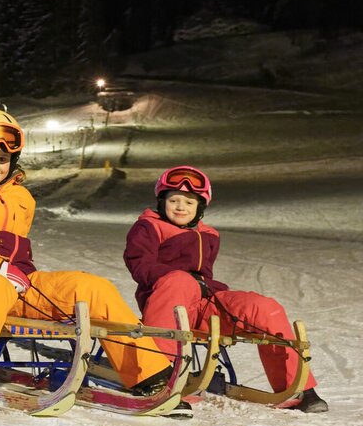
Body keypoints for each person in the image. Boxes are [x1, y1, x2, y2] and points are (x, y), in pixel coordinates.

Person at [0, 108, 175, 421]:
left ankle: (151, 377)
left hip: (16, 285)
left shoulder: (21, 198)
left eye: (2, 159)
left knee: (91, 287)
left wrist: (16, 274)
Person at [123, 165, 328, 413]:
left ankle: (299, 389)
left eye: (189, 202)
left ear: (200, 207)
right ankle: (160, 377)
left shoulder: (209, 234)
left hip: (201, 303)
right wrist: (180, 279)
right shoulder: (148, 226)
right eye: (173, 200)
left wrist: (206, 288)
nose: (180, 207)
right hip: (166, 301)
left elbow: (205, 275)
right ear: (161, 202)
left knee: (264, 308)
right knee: (179, 281)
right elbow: (140, 264)